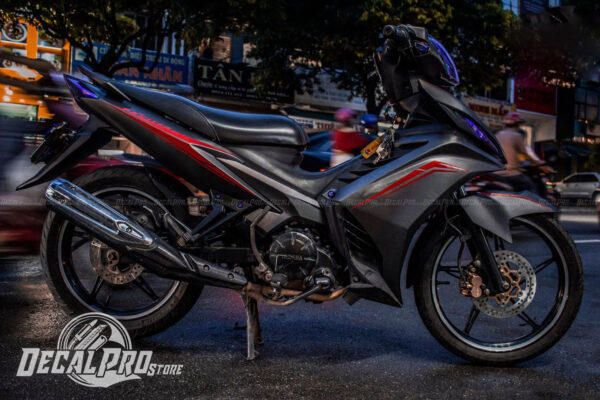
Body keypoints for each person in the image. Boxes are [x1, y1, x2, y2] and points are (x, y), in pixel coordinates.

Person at [494, 112, 541, 192]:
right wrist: (536, 162)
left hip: (497, 172)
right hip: (511, 173)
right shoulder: (516, 135)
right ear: (517, 124)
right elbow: (524, 154)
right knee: (532, 188)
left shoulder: (498, 135)